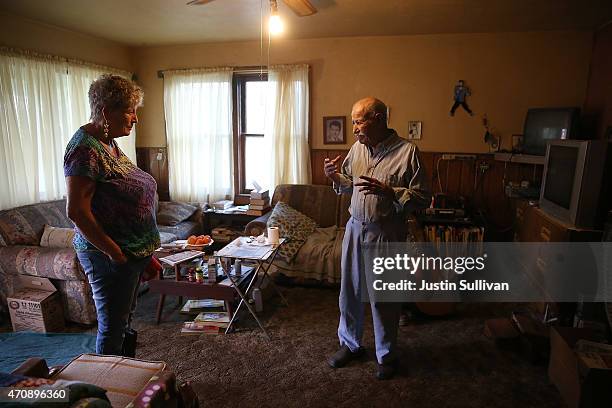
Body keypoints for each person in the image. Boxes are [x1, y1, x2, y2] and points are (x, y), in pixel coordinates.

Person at [324, 97, 431, 380]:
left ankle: (386, 354)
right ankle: (350, 344)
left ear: (380, 118)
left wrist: (392, 192)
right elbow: (348, 182)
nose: (354, 129)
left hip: (386, 231)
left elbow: (423, 198)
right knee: (349, 292)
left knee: (384, 296)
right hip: (354, 228)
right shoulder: (357, 149)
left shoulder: (408, 152)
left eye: (359, 121)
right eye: (354, 121)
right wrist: (335, 177)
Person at [64, 74, 160, 355]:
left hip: (128, 253)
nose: (135, 119)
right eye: (130, 111)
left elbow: (122, 202)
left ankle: (124, 371)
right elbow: (77, 212)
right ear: (107, 112)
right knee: (112, 327)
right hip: (107, 256)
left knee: (123, 320)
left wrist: (144, 255)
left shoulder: (108, 141)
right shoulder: (84, 149)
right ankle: (109, 389)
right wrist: (116, 254)